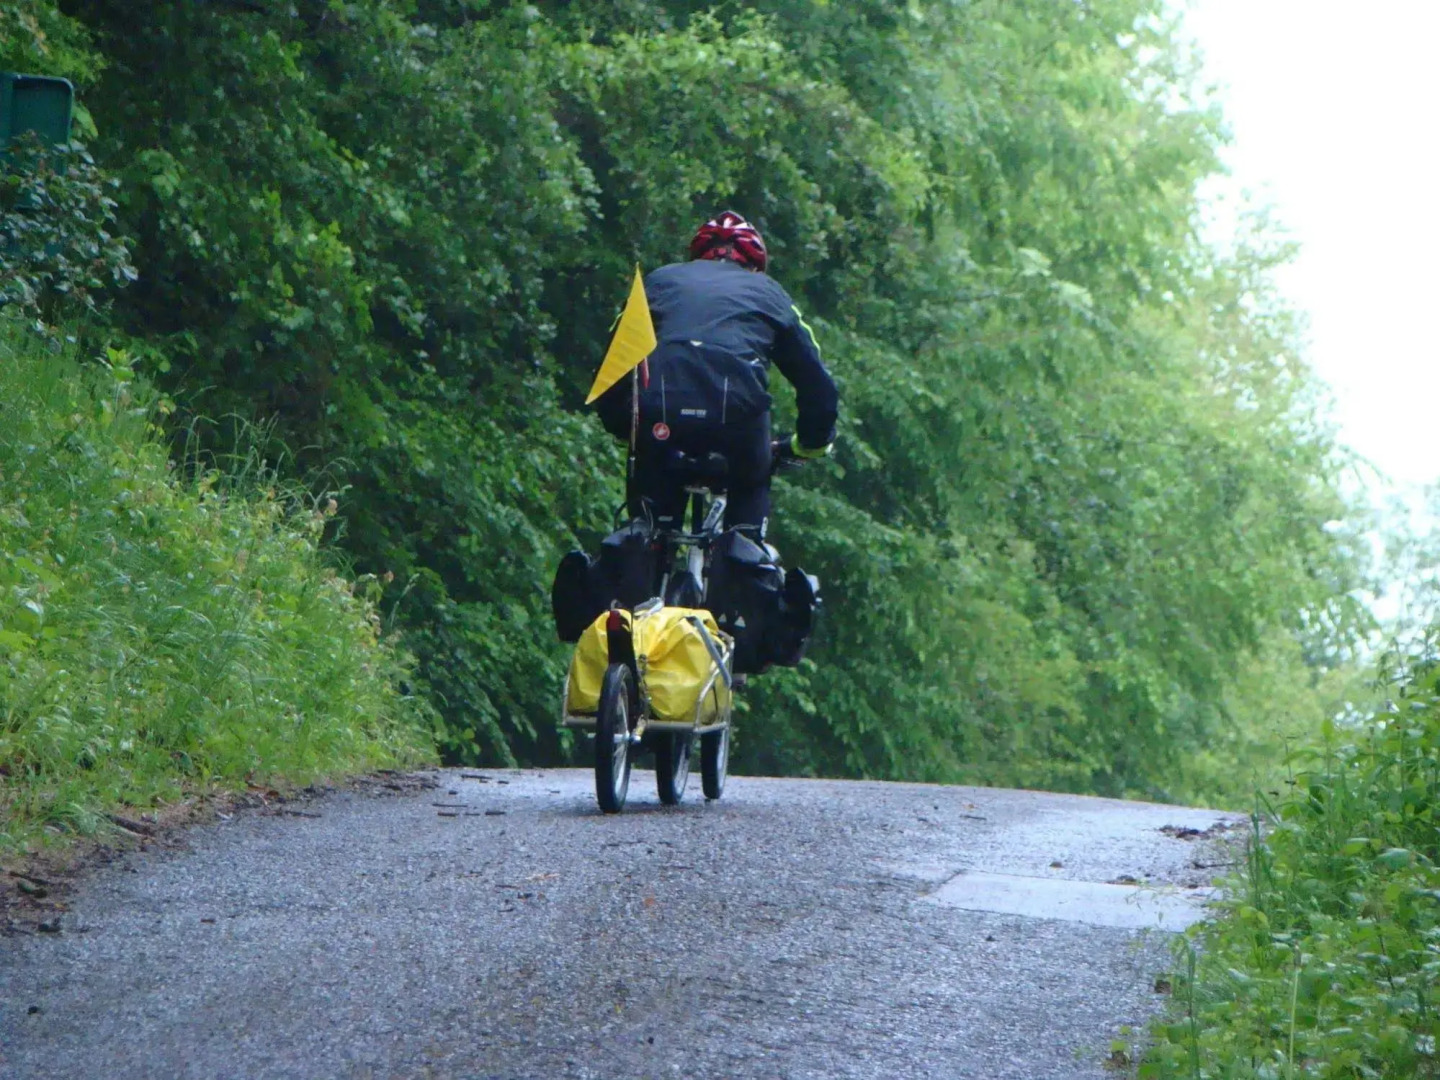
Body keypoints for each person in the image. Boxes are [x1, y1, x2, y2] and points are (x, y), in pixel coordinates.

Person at [596, 211, 838, 536]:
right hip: (738, 425)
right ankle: (744, 554)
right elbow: (817, 384)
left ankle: (638, 559)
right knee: (745, 540)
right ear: (753, 265)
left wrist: (623, 425)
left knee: (644, 536)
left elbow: (613, 366)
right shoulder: (769, 293)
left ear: (697, 257)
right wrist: (809, 444)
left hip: (660, 421)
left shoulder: (658, 282)